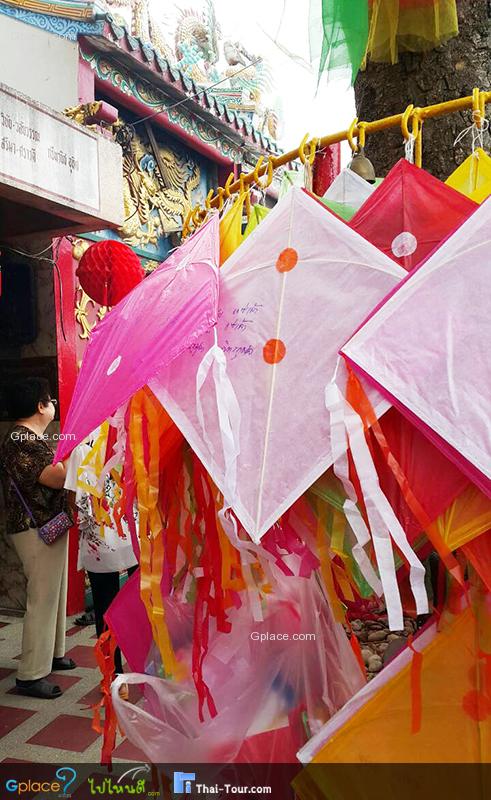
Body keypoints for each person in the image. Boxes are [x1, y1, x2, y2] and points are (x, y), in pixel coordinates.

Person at [0, 377, 76, 699]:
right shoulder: (20, 439)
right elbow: (56, 478)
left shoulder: (30, 436)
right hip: (34, 528)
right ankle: (31, 675)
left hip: (47, 524)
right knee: (42, 599)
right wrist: (72, 455)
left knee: (54, 594)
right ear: (39, 406)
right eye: (50, 400)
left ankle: (52, 654)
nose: (53, 405)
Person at [64, 437, 138, 682]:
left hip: (100, 541)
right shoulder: (130, 440)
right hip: (133, 535)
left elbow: (74, 498)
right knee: (139, 605)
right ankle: (144, 666)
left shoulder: (81, 448)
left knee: (105, 608)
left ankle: (112, 674)